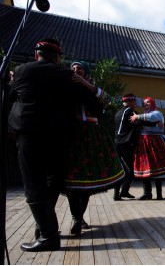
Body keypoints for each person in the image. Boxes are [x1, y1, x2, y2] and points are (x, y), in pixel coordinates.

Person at [8, 38, 98, 252]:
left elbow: (10, 97)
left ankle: (47, 234)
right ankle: (44, 229)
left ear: (36, 54)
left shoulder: (22, 71)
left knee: (34, 185)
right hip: (60, 137)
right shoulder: (68, 76)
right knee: (52, 181)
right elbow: (93, 103)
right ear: (58, 57)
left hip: (30, 134)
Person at [64, 61, 127, 236]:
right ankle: (76, 216)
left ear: (86, 72)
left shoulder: (93, 89)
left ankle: (78, 218)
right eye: (73, 69)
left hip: (92, 136)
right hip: (73, 135)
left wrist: (85, 85)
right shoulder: (66, 88)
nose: (76, 71)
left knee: (87, 181)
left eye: (80, 69)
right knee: (71, 181)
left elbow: (111, 101)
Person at [113, 94, 138, 201]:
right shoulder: (131, 112)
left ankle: (118, 193)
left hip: (117, 143)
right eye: (134, 102)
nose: (135, 104)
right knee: (131, 171)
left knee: (120, 169)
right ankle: (123, 192)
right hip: (126, 144)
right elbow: (139, 122)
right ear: (129, 102)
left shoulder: (118, 112)